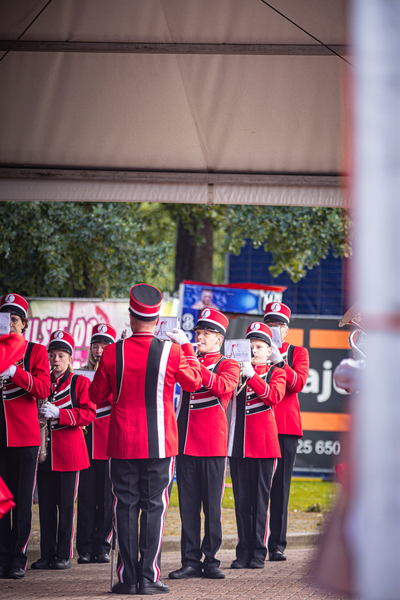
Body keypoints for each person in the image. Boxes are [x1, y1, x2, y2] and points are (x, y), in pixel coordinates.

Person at [89, 284, 202, 595]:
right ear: (158, 318)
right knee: (154, 508)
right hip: (160, 442)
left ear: (130, 316)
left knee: (124, 508)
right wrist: (188, 348)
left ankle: (127, 577)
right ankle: (149, 577)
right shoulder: (173, 351)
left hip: (123, 440)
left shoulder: (112, 352)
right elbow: (194, 381)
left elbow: (94, 396)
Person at [169, 308, 240, 581]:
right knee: (187, 507)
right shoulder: (187, 358)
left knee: (212, 508)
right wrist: (183, 352)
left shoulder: (228, 364)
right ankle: (190, 561)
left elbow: (222, 388)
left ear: (218, 340)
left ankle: (211, 560)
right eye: (198, 332)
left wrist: (188, 353)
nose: (200, 337)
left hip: (212, 446)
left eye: (206, 333)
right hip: (186, 443)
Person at [31, 330, 96, 571]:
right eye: (52, 355)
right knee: (46, 506)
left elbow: (89, 413)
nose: (55, 360)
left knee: (66, 507)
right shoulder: (43, 382)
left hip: (69, 454)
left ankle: (64, 554)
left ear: (70, 358)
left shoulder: (80, 382)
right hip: (44, 453)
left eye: (60, 355)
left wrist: (60, 414)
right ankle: (47, 554)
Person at [0, 293, 51, 579]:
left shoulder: (36, 352)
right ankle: (1, 554)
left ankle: (18, 557)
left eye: (14, 320)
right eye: (4, 319)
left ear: (24, 324)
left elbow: (43, 389)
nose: (9, 325)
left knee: (20, 500)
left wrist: (15, 372)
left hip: (24, 437)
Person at [228, 322, 286, 569]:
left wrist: (252, 377)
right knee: (242, 501)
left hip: (264, 446)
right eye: (250, 346)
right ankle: (243, 551)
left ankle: (259, 553)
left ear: (268, 350)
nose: (254, 351)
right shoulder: (237, 371)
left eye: (259, 347)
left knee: (260, 501)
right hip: (239, 444)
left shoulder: (276, 372)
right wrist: (241, 373)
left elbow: (274, 397)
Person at [263, 302, 309, 562]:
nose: (274, 328)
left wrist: (281, 362)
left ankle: (277, 544)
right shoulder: (255, 350)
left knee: (280, 486)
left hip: (285, 427)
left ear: (287, 329)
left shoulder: (297, 352)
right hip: (257, 425)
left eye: (278, 325)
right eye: (270, 323)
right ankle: (254, 543)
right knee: (255, 487)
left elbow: (298, 384)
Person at [76, 323, 116, 564]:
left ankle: (103, 545)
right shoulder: (81, 373)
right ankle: (85, 546)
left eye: (104, 346)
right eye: (96, 346)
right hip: (86, 438)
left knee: (107, 497)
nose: (99, 351)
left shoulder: (117, 373)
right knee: (87, 497)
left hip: (109, 439)